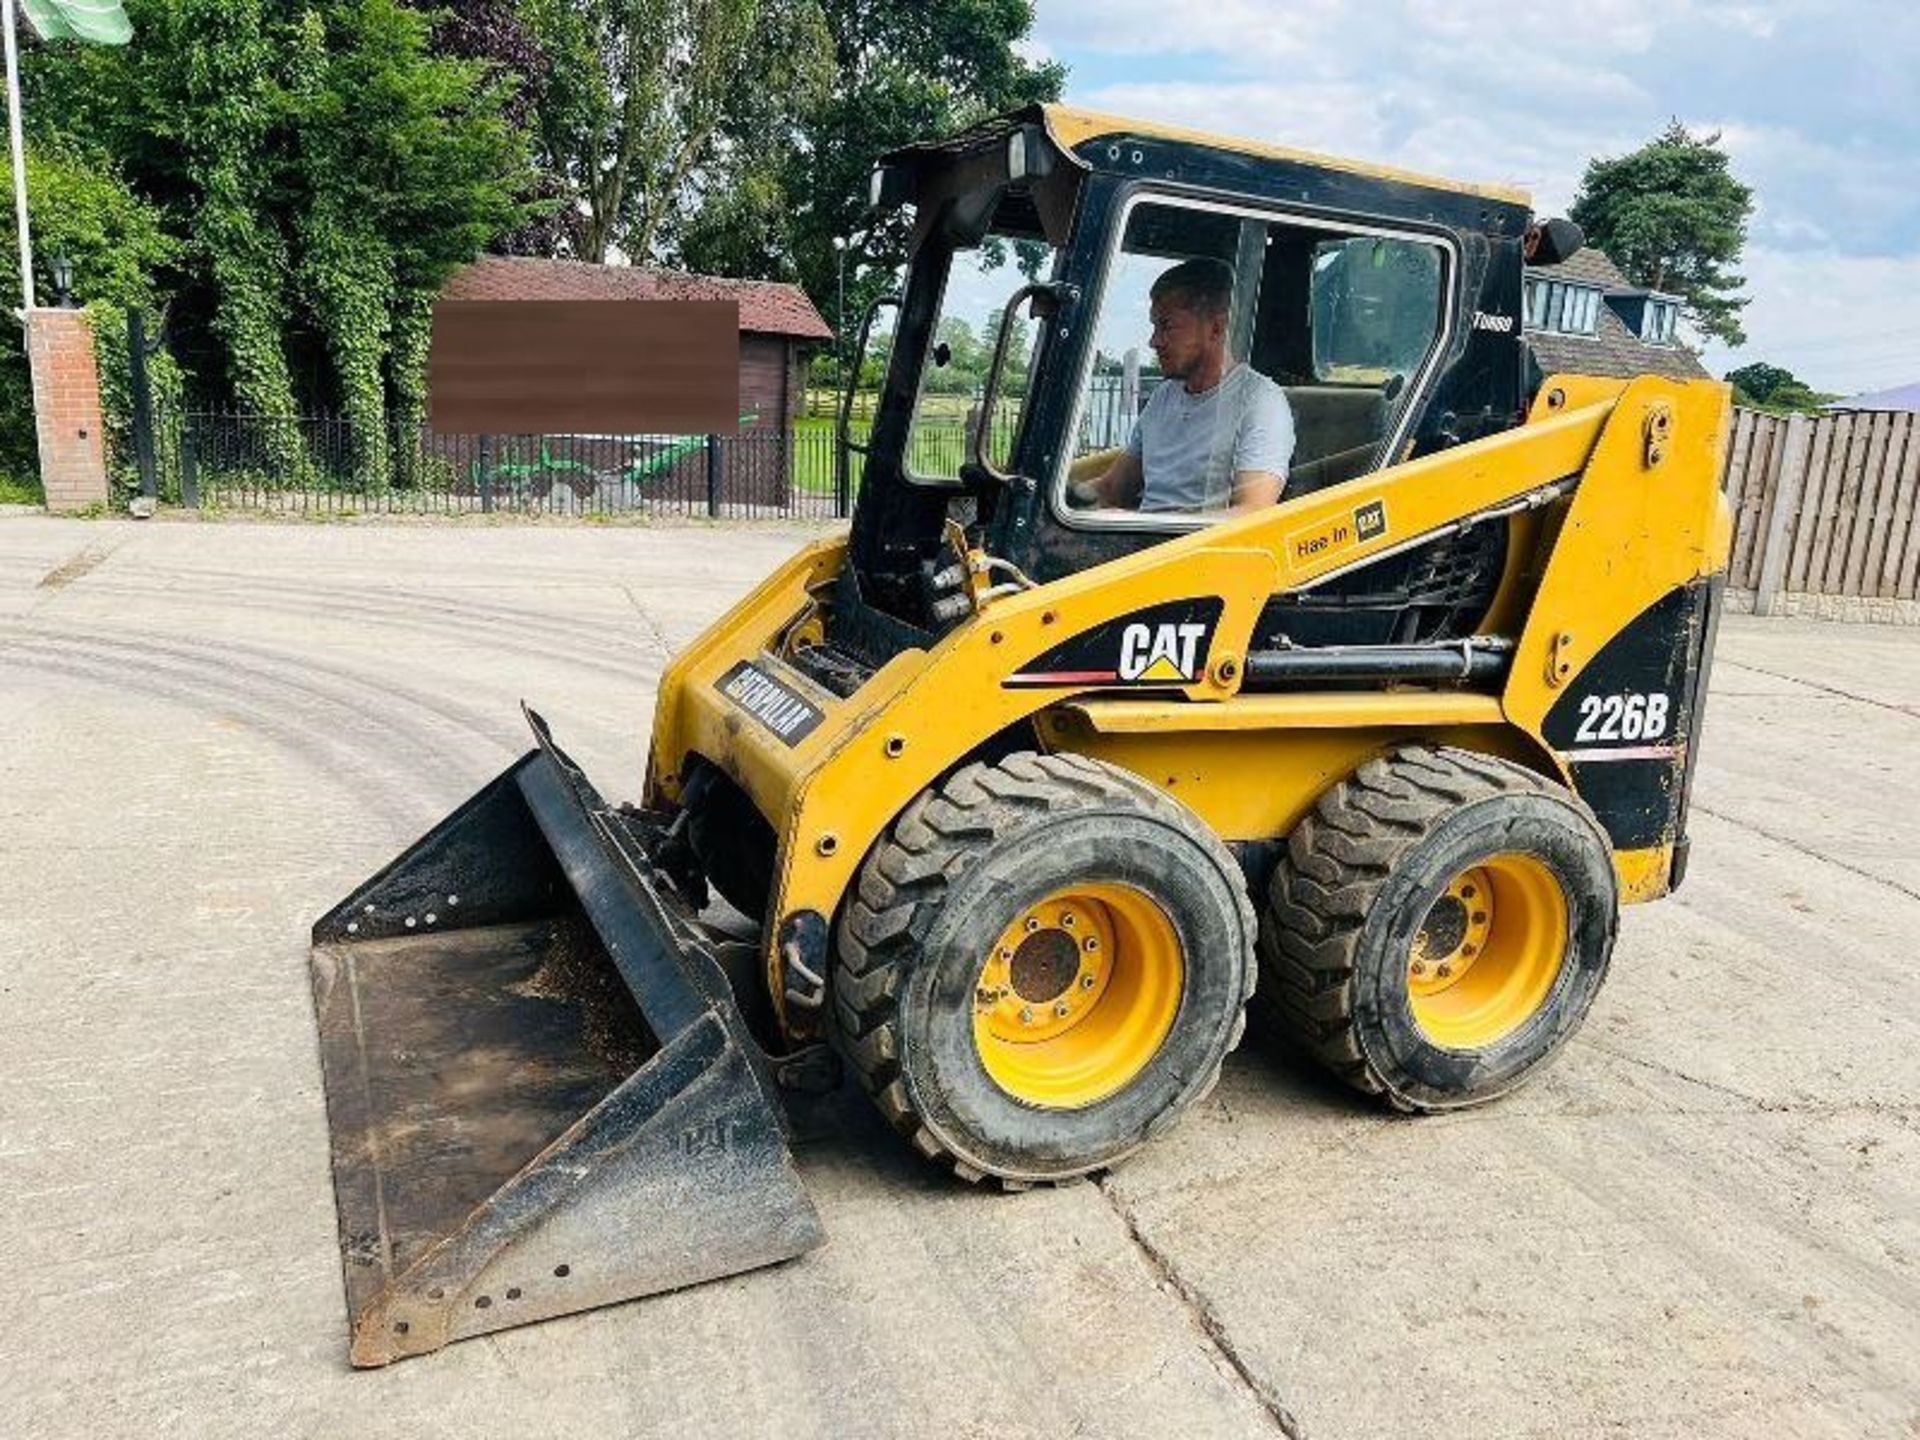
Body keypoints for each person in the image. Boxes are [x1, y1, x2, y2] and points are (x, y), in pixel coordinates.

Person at [1072, 257, 1292, 514]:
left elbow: (1253, 512)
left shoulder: (1261, 402)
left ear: (1216, 328)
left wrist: (1139, 523)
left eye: (1166, 326)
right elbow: (1112, 489)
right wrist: (1060, 497)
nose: (1154, 341)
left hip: (1198, 551)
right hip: (1140, 541)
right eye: (1155, 327)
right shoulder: (1163, 398)